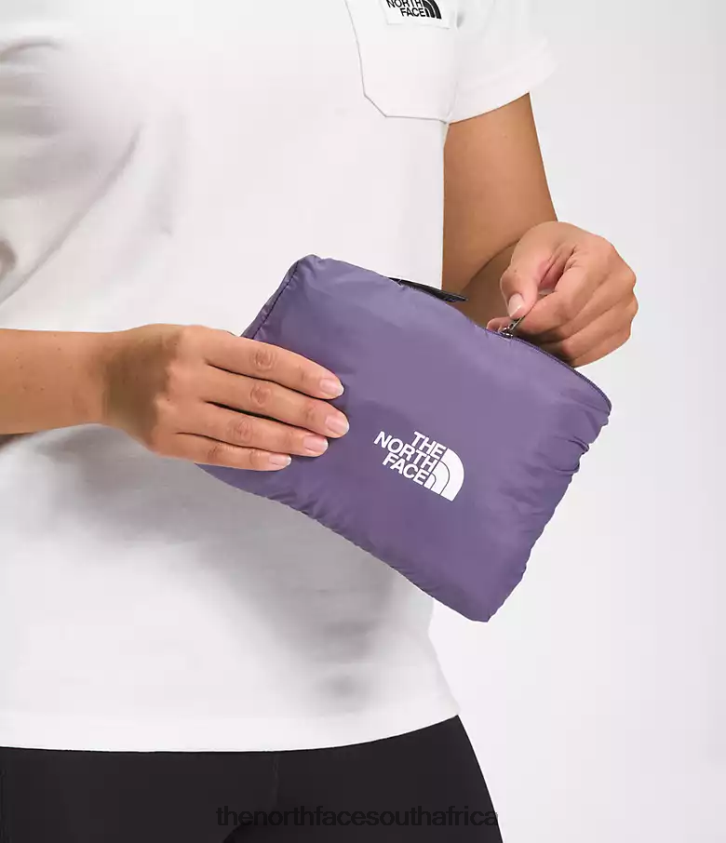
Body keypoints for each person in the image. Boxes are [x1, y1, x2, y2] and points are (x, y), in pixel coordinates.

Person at [0, 0, 637, 840]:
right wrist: (102, 378)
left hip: (371, 687)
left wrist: (563, 292)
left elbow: (490, 279)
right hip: (48, 698)